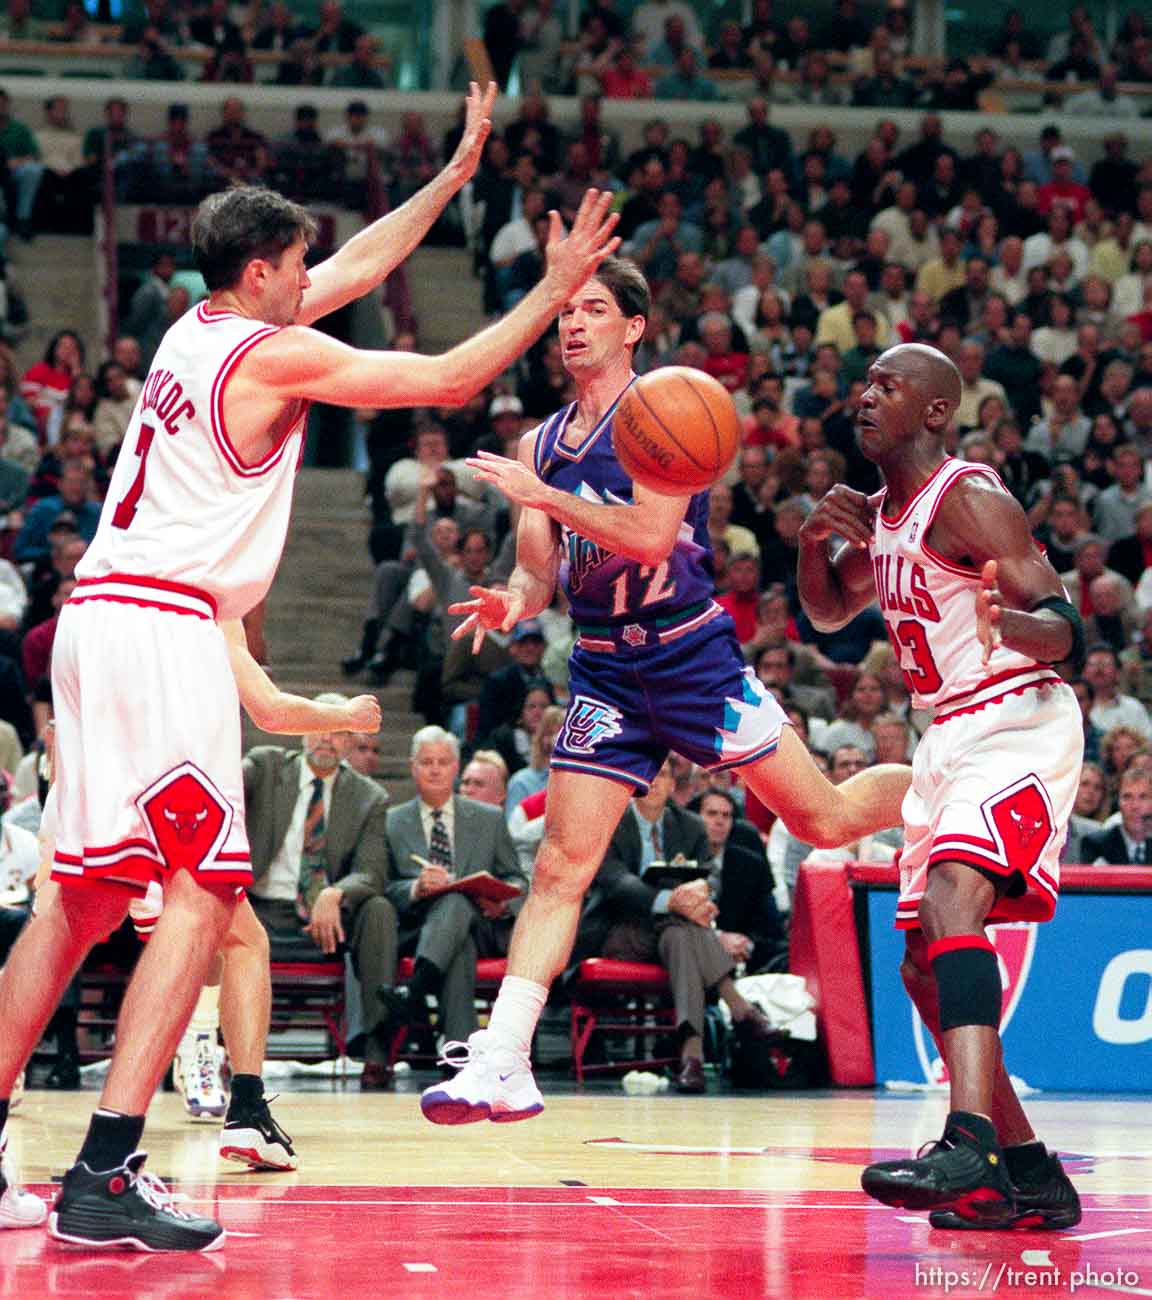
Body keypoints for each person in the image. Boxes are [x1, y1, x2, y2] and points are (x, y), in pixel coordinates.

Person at [0, 82, 621, 1253]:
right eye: (301, 264)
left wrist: (447, 180)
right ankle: (105, 1166)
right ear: (263, 276)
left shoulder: (198, 329)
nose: (313, 274)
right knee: (204, 892)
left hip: (95, 617)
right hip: (167, 626)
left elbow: (359, 270)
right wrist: (552, 287)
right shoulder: (274, 358)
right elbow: (443, 381)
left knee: (80, 898)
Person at [418, 256, 913, 1126]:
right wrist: (514, 600)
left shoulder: (667, 410)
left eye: (595, 310)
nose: (574, 324)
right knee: (562, 867)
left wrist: (547, 498)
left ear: (633, 328)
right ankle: (503, 1060)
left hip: (691, 658)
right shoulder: (541, 443)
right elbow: (540, 572)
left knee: (822, 819)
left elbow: (650, 537)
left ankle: (959, 786)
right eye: (566, 311)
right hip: (606, 665)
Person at [797, 342, 1084, 1229]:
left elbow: (1067, 627)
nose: (863, 392)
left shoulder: (969, 497)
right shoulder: (880, 511)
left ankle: (967, 1137)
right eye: (864, 380)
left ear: (933, 411)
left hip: (1015, 716)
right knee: (924, 964)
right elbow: (830, 610)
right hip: (945, 732)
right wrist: (812, 541)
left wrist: (1013, 625)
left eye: (886, 383)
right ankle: (1030, 1171)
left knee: (957, 896)